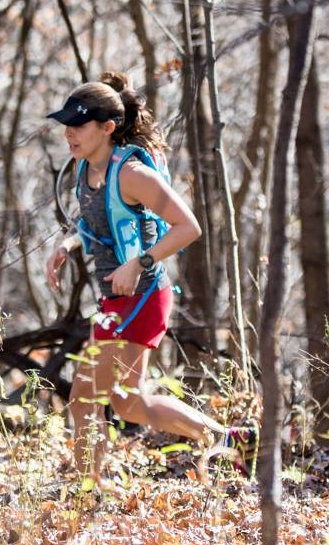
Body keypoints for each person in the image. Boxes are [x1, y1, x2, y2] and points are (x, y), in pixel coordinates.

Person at [45, 73, 255, 479]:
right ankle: (230, 439)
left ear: (107, 128)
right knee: (128, 402)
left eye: (78, 125)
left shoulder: (133, 174)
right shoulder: (84, 167)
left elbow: (187, 226)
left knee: (84, 399)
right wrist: (68, 245)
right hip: (119, 297)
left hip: (141, 295)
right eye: (66, 125)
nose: (69, 133)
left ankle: (87, 493)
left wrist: (138, 263)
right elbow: (98, 222)